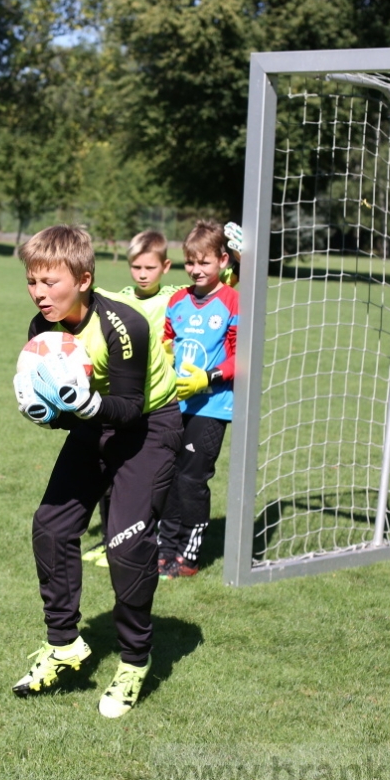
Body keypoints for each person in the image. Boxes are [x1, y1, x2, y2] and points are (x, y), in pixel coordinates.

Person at [11, 224, 181, 719]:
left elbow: (128, 408)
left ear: (84, 279)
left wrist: (83, 405)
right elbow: (71, 413)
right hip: (96, 425)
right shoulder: (41, 332)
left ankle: (133, 661)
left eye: (50, 283)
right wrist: (47, 413)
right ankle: (64, 645)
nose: (40, 294)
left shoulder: (123, 324)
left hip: (149, 427)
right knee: (50, 527)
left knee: (126, 545)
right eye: (32, 282)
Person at [83, 229, 184, 568]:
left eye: (149, 268)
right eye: (136, 267)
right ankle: (109, 541)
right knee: (109, 473)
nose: (142, 274)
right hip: (121, 397)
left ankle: (141, 541)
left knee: (143, 479)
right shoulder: (122, 298)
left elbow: (215, 285)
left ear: (165, 267)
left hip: (155, 401)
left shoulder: (173, 297)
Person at [158, 220, 239, 578]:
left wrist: (210, 376)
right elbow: (165, 343)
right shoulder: (177, 300)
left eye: (204, 262)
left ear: (223, 261)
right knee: (168, 476)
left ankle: (189, 556)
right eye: (190, 262)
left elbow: (243, 357)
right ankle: (164, 549)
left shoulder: (233, 301)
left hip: (212, 406)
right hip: (176, 405)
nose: (196, 269)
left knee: (191, 480)